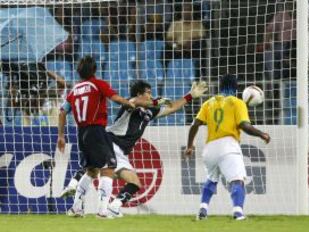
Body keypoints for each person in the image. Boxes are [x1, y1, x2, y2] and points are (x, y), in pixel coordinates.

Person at [60, 79, 208, 217]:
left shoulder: (151, 111)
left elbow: (172, 107)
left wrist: (190, 95)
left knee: (130, 181)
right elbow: (135, 101)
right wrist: (156, 101)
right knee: (94, 171)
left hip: (121, 152)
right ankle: (92, 203)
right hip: (110, 142)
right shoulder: (130, 105)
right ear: (139, 93)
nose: (151, 95)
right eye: (148, 93)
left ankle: (103, 206)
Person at [57, 56, 160, 218]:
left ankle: (76, 205)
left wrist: (61, 136)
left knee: (91, 170)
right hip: (97, 130)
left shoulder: (74, 90)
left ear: (79, 72)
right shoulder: (98, 84)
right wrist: (128, 103)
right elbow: (115, 98)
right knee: (109, 168)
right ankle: (103, 210)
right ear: (95, 70)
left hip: (81, 133)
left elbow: (62, 111)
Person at [184, 74, 270, 220]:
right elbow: (244, 125)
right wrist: (262, 134)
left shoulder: (209, 103)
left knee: (211, 179)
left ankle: (202, 210)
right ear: (236, 88)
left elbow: (195, 125)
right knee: (237, 180)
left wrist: (190, 145)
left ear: (220, 87)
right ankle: (238, 213)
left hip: (210, 148)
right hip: (228, 145)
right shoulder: (237, 102)